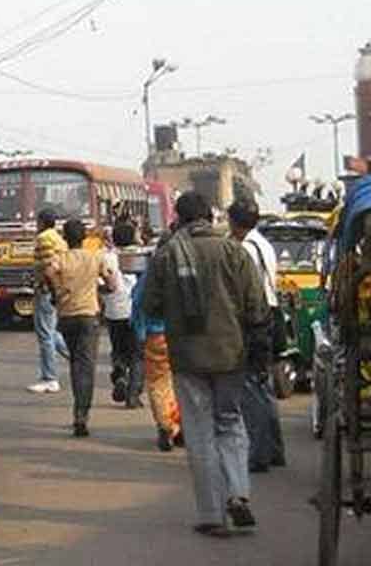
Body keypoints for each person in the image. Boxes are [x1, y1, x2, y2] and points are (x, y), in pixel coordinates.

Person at [143, 192, 268, 537]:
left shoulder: (167, 255)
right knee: (230, 422)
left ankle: (212, 513)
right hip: (231, 354)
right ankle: (238, 493)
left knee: (199, 432)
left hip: (187, 358)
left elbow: (151, 306)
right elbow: (257, 306)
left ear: (180, 219)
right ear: (211, 218)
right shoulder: (234, 252)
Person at [228, 198, 287, 473]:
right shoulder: (263, 244)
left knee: (251, 387)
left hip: (255, 319)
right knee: (263, 386)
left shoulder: (245, 250)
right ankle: (274, 449)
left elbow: (245, 293)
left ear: (234, 222)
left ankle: (259, 453)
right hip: (269, 314)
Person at [46, 218, 119, 436]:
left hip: (67, 315)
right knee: (86, 366)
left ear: (65, 238)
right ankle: (81, 414)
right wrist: (101, 289)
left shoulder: (60, 258)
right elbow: (112, 283)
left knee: (75, 362)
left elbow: (48, 273)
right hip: (89, 316)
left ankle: (78, 408)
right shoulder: (95, 257)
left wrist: (57, 292)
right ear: (84, 237)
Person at [132, 262, 183, 451]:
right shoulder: (189, 270)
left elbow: (138, 302)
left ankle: (165, 425)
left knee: (158, 383)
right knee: (185, 383)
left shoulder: (151, 274)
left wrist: (140, 333)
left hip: (157, 335)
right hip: (186, 336)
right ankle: (181, 426)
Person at [28, 210, 70, 394]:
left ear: (42, 222)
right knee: (51, 332)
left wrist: (47, 288)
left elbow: (48, 268)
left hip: (45, 290)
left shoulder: (44, 239)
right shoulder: (58, 239)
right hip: (55, 290)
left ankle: (49, 378)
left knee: (45, 334)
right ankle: (77, 357)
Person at [104, 221, 142, 408]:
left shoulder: (107, 257)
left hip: (114, 311)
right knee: (137, 354)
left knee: (118, 349)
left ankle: (120, 374)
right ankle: (133, 395)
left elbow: (103, 282)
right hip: (136, 311)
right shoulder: (141, 256)